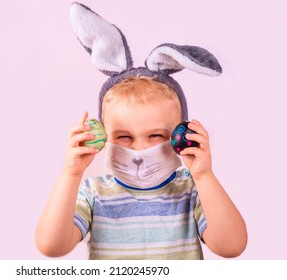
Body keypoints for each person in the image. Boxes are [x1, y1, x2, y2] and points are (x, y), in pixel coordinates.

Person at [36, 77, 247, 259]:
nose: (140, 150)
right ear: (104, 138)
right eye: (124, 137)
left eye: (155, 136)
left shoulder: (192, 190)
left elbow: (232, 247)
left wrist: (204, 176)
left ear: (177, 137)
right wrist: (70, 174)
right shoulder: (94, 193)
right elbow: (52, 246)